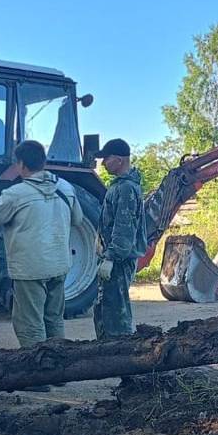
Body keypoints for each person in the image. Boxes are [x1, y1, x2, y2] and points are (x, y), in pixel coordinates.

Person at [0, 140, 83, 348]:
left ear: (21, 164)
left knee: (30, 324)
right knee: (54, 319)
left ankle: (40, 374)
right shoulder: (65, 188)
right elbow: (77, 219)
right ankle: (60, 370)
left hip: (31, 270)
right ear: (43, 161)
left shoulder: (16, 194)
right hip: (59, 265)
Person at [93, 138, 146, 338]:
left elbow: (124, 228)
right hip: (114, 257)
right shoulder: (121, 186)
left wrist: (111, 257)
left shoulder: (125, 188)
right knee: (106, 308)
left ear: (119, 159)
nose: (103, 163)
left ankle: (119, 352)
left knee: (116, 311)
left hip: (118, 261)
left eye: (106, 159)